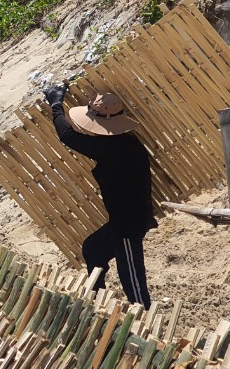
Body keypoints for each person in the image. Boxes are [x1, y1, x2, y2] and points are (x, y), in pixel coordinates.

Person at [44, 84, 155, 308]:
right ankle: (97, 302)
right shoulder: (124, 143)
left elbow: (68, 136)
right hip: (123, 220)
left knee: (132, 279)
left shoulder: (113, 148)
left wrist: (56, 105)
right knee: (93, 249)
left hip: (128, 224)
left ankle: (144, 314)